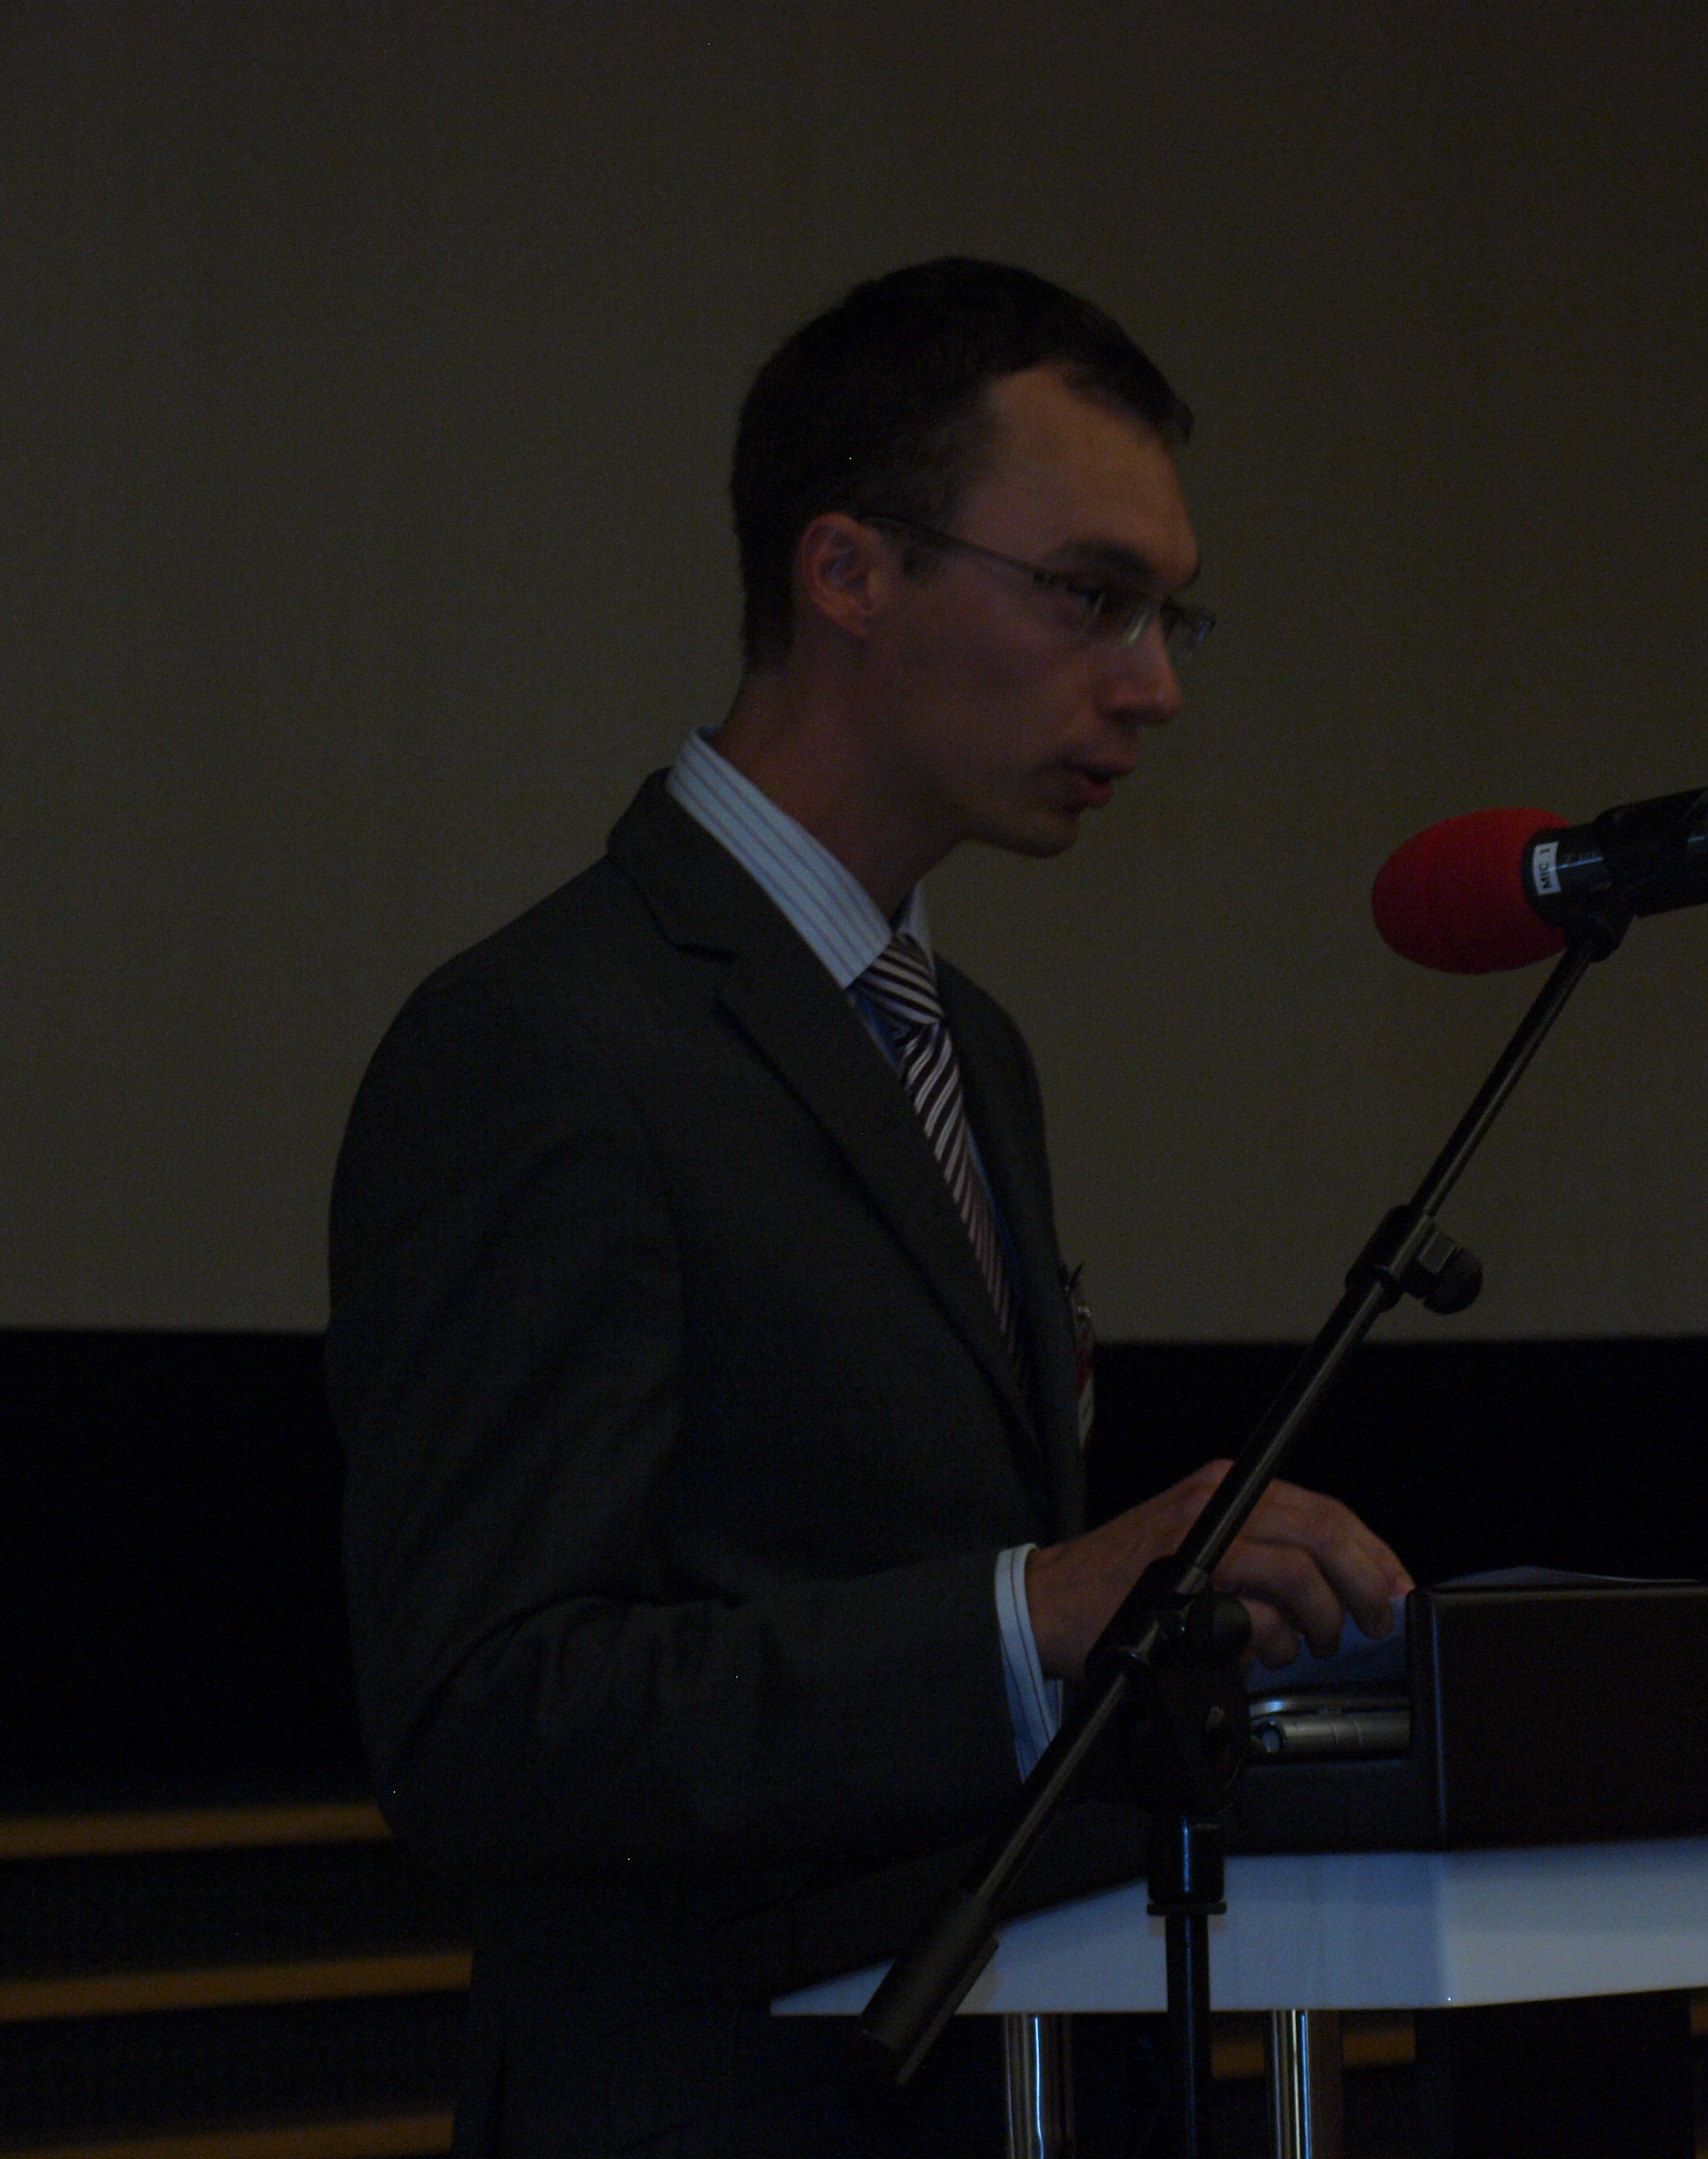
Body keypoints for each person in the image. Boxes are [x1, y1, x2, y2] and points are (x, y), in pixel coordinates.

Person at [329, 259, 1411, 2156]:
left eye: (1171, 615)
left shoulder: (966, 1042)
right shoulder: (543, 1042)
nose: (1153, 686)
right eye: (1090, 597)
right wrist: (1032, 1615)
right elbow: (489, 1721)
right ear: (848, 572)